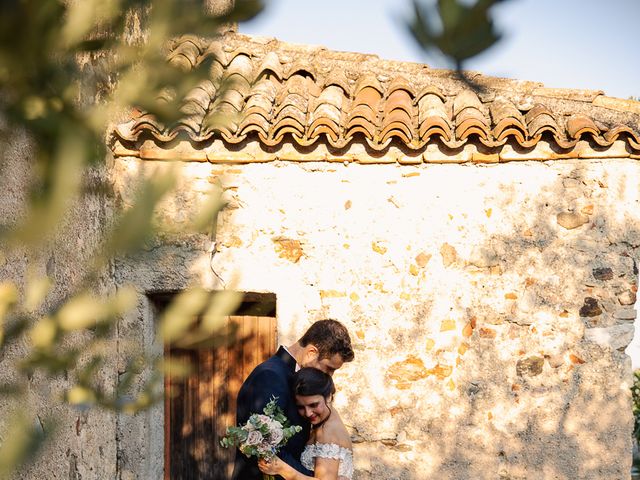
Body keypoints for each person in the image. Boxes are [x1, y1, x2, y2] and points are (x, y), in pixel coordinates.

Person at [232, 319, 354, 480]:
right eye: (329, 368)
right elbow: (266, 447)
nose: (329, 376)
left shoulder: (298, 379)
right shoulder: (270, 376)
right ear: (311, 352)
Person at [257, 367, 353, 480]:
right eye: (301, 407)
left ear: (328, 397)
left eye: (313, 405)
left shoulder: (328, 433)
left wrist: (282, 469)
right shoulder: (328, 417)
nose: (308, 413)